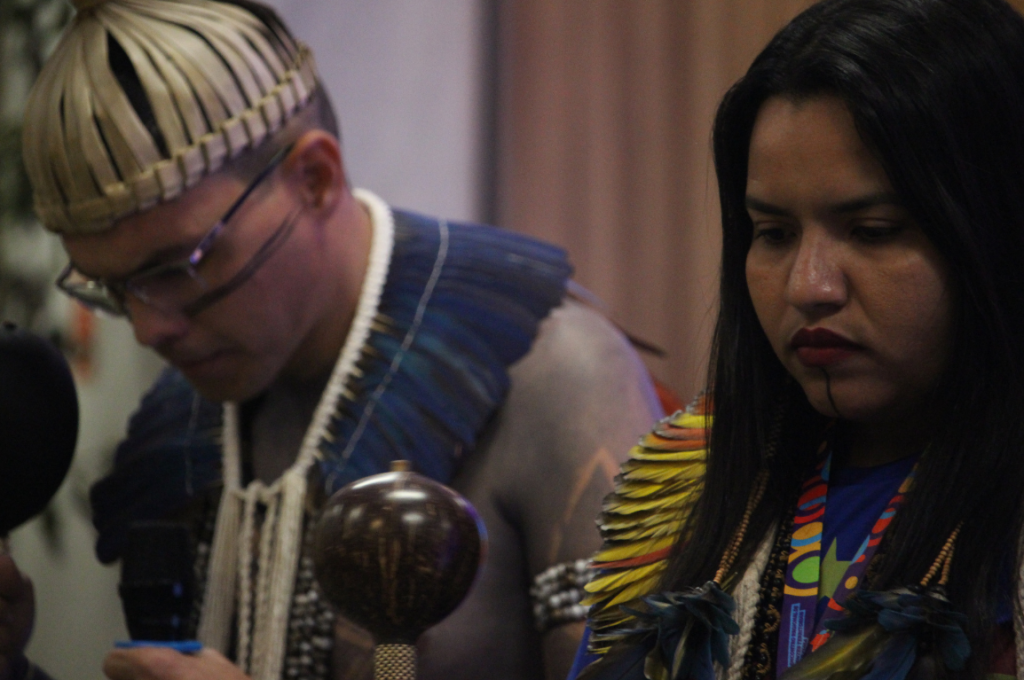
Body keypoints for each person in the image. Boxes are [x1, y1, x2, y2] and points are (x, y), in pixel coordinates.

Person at [7, 1, 663, 679]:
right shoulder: (194, 419)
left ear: (315, 179)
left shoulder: (559, 379)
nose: (150, 330)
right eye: (113, 289)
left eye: (180, 267)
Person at [569, 1, 1024, 679]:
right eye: (774, 234)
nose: (809, 286)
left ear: (998, 228)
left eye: (873, 231)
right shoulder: (688, 492)